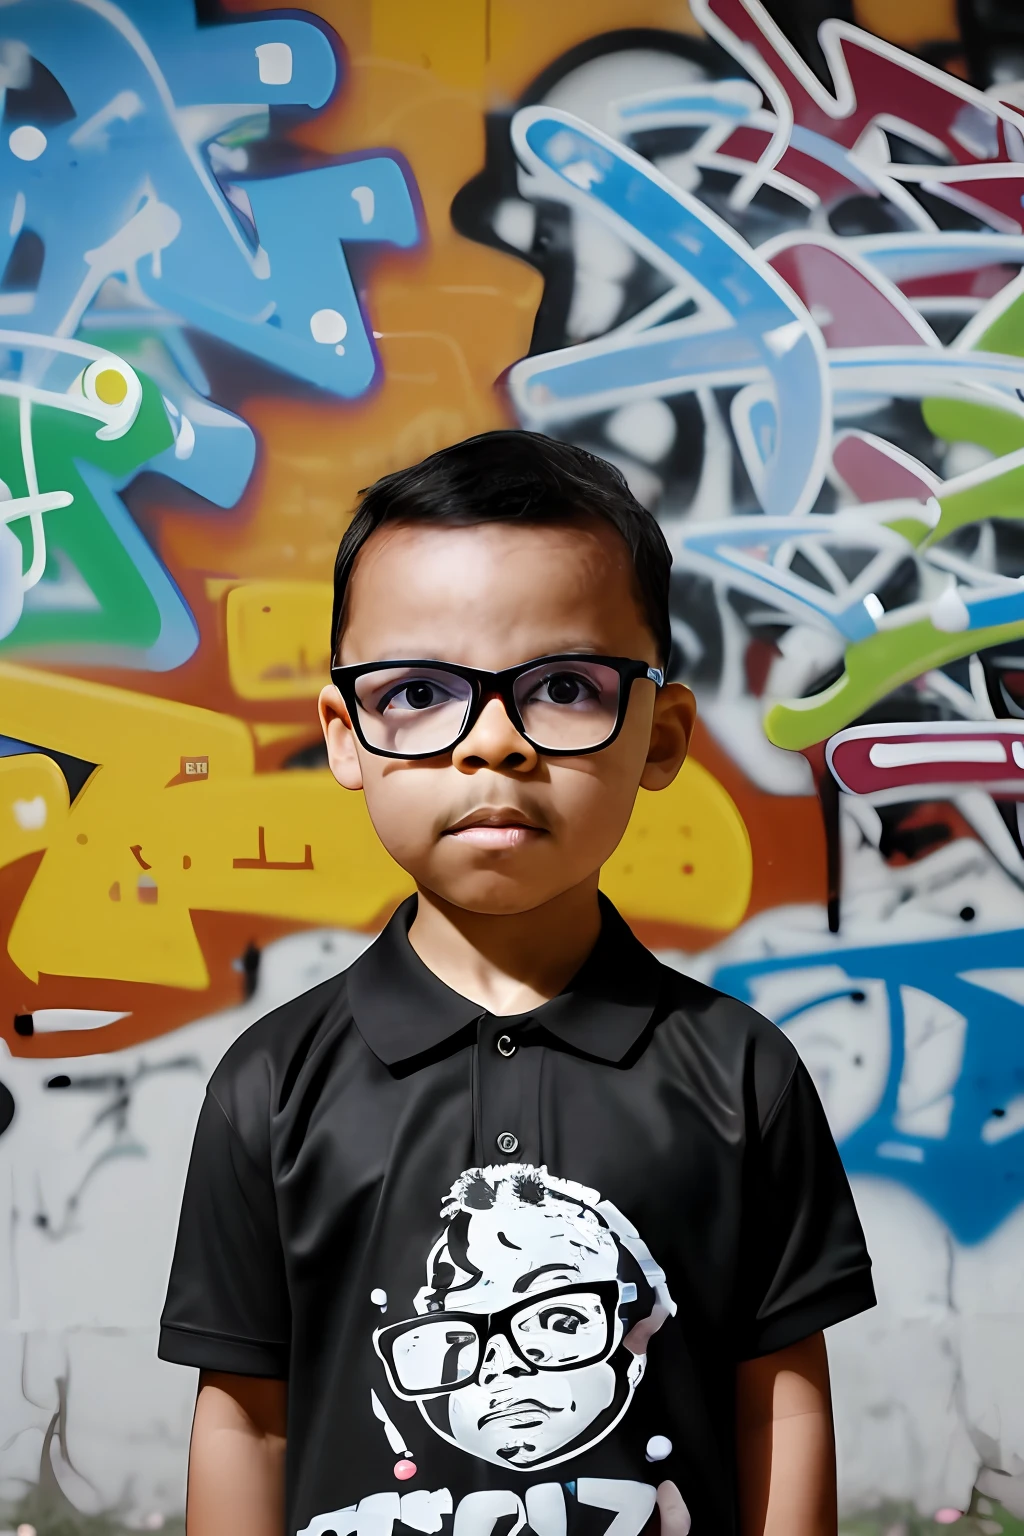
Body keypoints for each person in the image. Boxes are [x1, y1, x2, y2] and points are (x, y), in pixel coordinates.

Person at [160, 430, 875, 1536]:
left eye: (562, 687)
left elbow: (775, 1407)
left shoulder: (743, 1076)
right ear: (344, 736)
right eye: (417, 692)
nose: (493, 744)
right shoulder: (269, 1086)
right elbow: (245, 1422)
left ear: (661, 734)